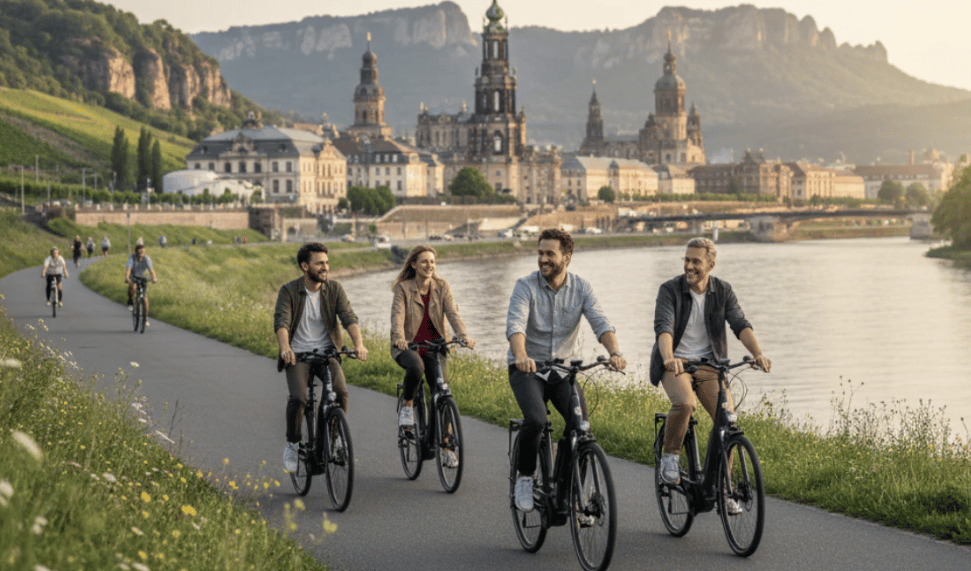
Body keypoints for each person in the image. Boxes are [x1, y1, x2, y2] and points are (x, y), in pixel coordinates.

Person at [506, 228, 627, 512]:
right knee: (536, 420)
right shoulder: (525, 286)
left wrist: (614, 353)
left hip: (562, 371)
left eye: (550, 254)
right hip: (528, 369)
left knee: (581, 427)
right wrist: (521, 355)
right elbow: (516, 324)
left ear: (566, 258)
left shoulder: (582, 288)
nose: (543, 259)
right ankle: (525, 477)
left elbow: (600, 322)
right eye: (540, 253)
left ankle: (569, 489)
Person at [651, 237, 771, 513]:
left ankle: (723, 488)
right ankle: (670, 456)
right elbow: (664, 327)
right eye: (686, 260)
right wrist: (668, 358)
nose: (689, 266)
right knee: (685, 403)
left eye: (696, 261)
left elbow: (740, 324)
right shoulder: (670, 290)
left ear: (711, 265)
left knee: (726, 420)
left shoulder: (723, 291)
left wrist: (758, 353)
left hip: (709, 365)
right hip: (676, 364)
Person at [274, 242, 370, 473]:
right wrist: (285, 348)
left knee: (340, 392)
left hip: (328, 352)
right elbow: (282, 322)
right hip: (298, 355)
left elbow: (348, 317)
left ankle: (334, 439)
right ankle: (293, 443)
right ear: (305, 266)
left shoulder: (334, 289)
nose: (325, 267)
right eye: (319, 263)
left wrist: (359, 344)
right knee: (299, 398)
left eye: (326, 262)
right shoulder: (289, 290)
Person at [391, 245, 476, 467]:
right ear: (413, 264)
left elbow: (453, 313)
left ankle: (445, 447)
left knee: (442, 392)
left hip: (435, 346)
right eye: (424, 261)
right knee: (416, 368)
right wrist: (399, 337)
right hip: (409, 346)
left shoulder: (442, 286)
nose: (429, 265)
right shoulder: (403, 288)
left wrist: (463, 336)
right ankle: (407, 405)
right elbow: (398, 315)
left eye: (432, 262)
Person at [125, 243, 159, 326]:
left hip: (142, 277)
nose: (141, 254)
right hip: (133, 276)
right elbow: (128, 270)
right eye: (140, 252)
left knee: (145, 299)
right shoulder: (132, 258)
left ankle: (145, 318)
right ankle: (130, 300)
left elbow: (151, 270)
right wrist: (127, 278)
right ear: (136, 252)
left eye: (143, 252)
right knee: (133, 286)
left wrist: (154, 278)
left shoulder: (147, 258)